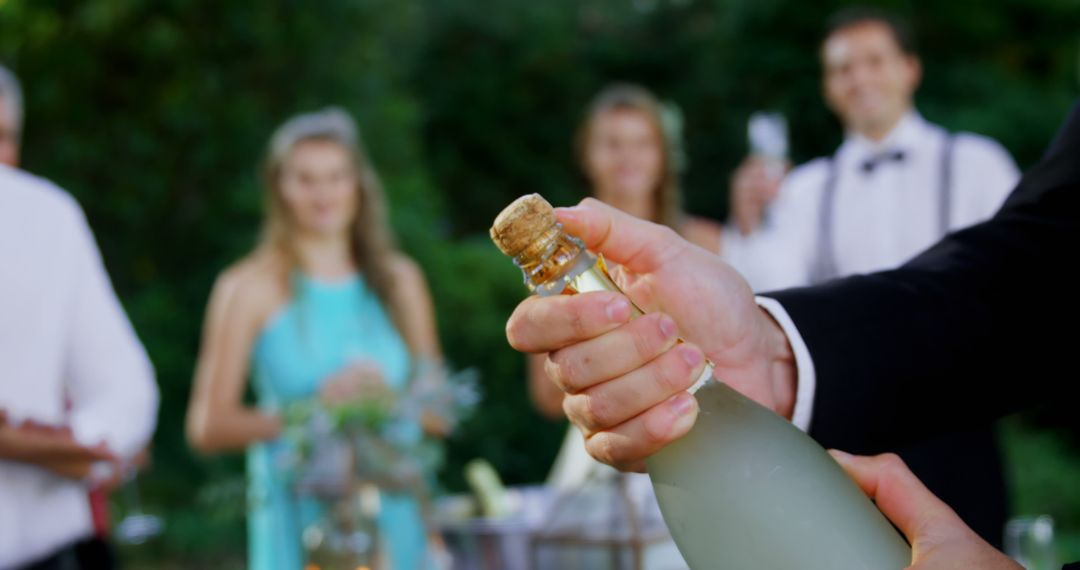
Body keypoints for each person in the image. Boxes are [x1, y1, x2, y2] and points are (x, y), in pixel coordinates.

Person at [503, 100, 1080, 567]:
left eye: (640, 142)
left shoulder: (705, 234)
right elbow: (1042, 263)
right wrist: (768, 352)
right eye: (612, 143)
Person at [718, 8, 1020, 544]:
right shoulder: (805, 189)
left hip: (963, 424)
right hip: (854, 431)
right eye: (843, 68)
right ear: (829, 88)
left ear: (909, 68)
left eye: (874, 61)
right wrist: (747, 225)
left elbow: (1018, 283)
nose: (860, 79)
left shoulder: (978, 163)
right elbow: (771, 299)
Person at [186, 108, 443, 569]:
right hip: (298, 526)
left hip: (396, 523)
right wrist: (317, 412)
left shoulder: (400, 281)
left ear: (358, 184)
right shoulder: (247, 288)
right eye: (305, 179)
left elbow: (440, 413)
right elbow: (208, 426)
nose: (323, 194)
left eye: (336, 177)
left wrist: (391, 400)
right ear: (279, 187)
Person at [530, 83, 723, 423]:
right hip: (611, 430)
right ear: (587, 155)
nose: (627, 157)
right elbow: (546, 395)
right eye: (612, 144)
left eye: (642, 143)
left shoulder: (705, 242)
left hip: (704, 417)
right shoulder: (560, 262)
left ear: (663, 155)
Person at [0, 165, 160, 569]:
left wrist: (78, 441)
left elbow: (127, 389)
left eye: (5, 135)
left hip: (50, 543)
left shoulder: (46, 214)